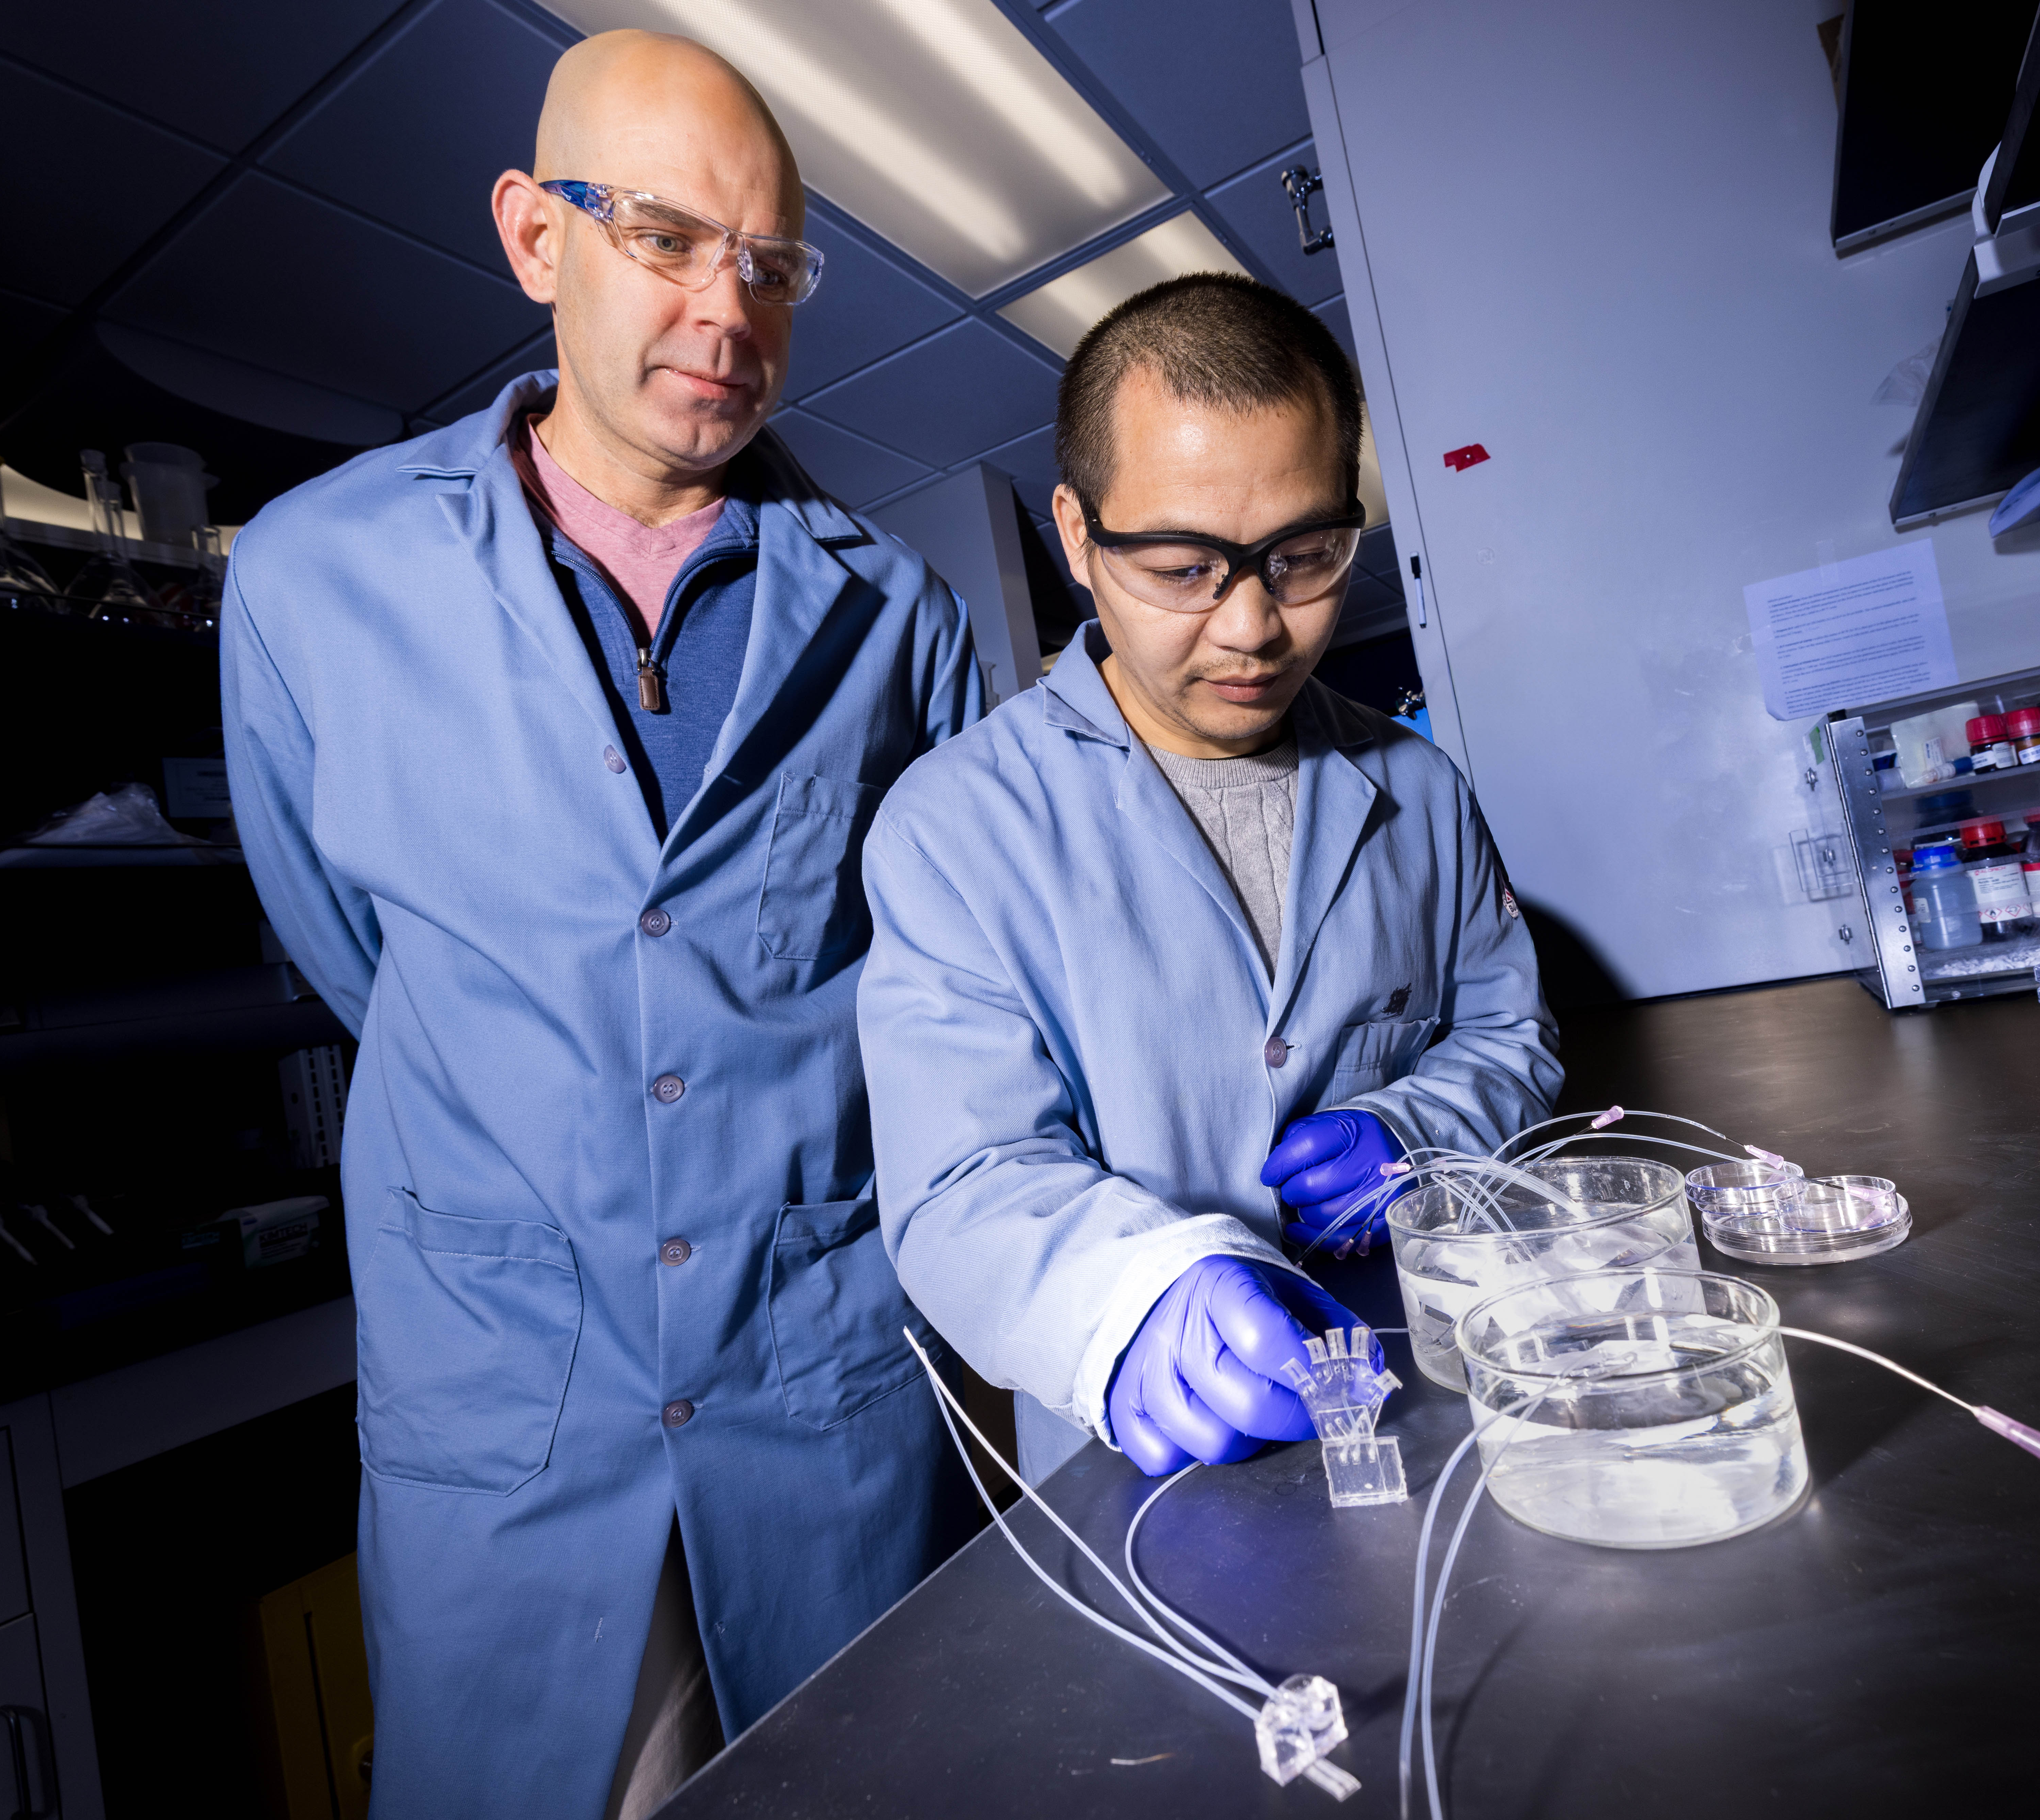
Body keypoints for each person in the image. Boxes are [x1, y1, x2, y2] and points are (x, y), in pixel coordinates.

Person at [222, 32, 983, 1819]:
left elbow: (945, 999)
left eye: (772, 265)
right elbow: (350, 948)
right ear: (531, 235)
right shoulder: (315, 578)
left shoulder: (901, 618)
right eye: (663, 237)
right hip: (509, 1420)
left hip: (824, 1395)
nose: (729, 305)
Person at [856, 274, 1561, 1484]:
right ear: (1078, 536)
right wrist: (1140, 1292)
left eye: (1304, 556)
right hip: (1149, 1458)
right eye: (1183, 566)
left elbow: (1514, 1038)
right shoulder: (952, 825)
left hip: (1439, 1390)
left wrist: (1414, 1132)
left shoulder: (1420, 786)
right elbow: (960, 1181)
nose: (1251, 627)